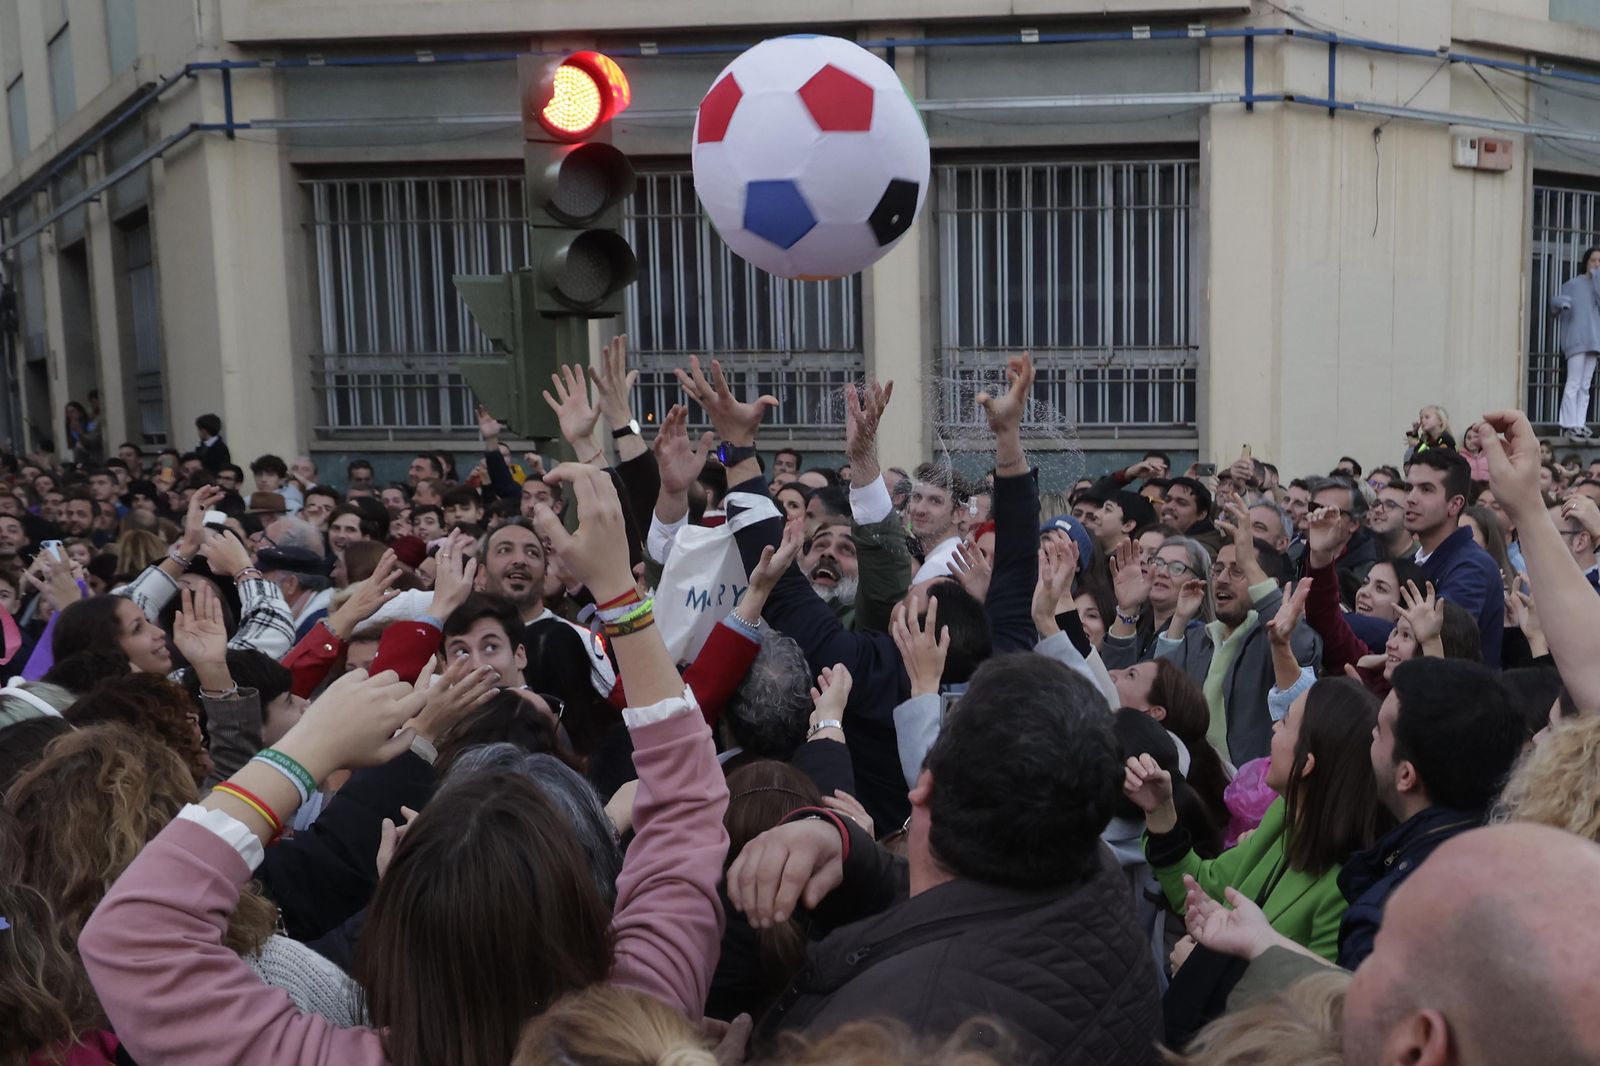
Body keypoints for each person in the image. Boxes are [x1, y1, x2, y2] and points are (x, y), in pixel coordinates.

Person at [78, 463, 733, 1066]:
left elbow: (135, 936)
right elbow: (688, 806)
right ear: (597, 904)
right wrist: (619, 590)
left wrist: (307, 750)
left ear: (394, 928)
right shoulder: (653, 1004)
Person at [728, 654, 1162, 1064]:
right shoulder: (1095, 882)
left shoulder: (889, 1031)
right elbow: (960, 908)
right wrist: (844, 843)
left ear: (924, 790)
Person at [1124, 676, 1382, 961]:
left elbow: (1312, 997)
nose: (1274, 726)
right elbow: (1201, 887)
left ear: (1305, 764)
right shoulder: (1285, 815)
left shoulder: (1345, 887)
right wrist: (1160, 809)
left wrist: (1205, 974)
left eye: (1284, 722)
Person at [1335, 659, 1526, 968]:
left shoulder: (1381, 931)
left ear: (1406, 776)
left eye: (1379, 730)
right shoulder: (1514, 856)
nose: (1370, 734)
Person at [1403, 448, 1503, 667]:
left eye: (1426, 489)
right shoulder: (1417, 560)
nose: (1410, 498)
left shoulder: (1472, 566)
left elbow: (1436, 640)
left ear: (1455, 504)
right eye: (1408, 488)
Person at [1550, 245, 1600, 440]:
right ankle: (1568, 423)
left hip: (1594, 341)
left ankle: (1579, 422)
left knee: (1585, 385)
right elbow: (1556, 306)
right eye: (1593, 260)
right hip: (1577, 340)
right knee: (1573, 382)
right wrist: (1560, 304)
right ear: (1586, 263)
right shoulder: (1573, 284)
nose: (1596, 264)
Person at [1160, 477, 1226, 561]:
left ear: (1201, 514)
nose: (1169, 506)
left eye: (1181, 503)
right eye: (1167, 500)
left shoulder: (1202, 553)